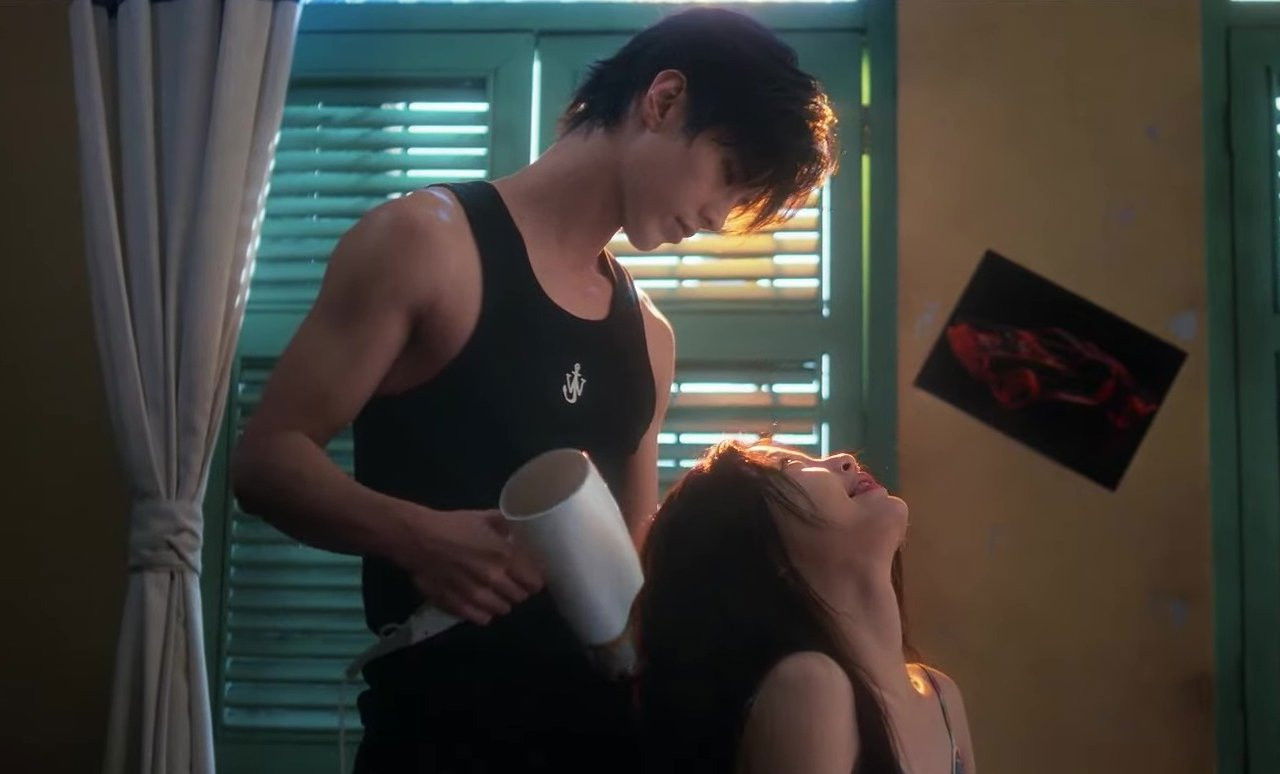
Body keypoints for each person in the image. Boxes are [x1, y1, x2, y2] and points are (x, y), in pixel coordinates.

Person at [229, 7, 838, 773]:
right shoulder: (426, 242)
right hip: (433, 745)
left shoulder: (650, 336)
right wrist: (415, 535)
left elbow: (633, 573)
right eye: (728, 173)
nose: (720, 217)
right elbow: (265, 461)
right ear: (664, 100)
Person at [636, 441, 977, 774]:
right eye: (790, 467)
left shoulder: (942, 695)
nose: (846, 459)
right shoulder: (811, 686)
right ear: (763, 555)